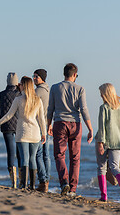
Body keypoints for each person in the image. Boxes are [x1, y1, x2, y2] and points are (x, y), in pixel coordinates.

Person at [0, 76, 46, 190]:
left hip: (22, 133)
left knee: (25, 159)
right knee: (32, 159)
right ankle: (32, 185)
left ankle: (24, 185)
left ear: (24, 86)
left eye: (20, 84)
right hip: (35, 134)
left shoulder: (19, 99)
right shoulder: (37, 100)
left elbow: (8, 116)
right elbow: (41, 119)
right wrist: (44, 133)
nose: (18, 85)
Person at [47, 63, 93, 196]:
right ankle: (73, 189)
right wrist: (90, 128)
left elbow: (51, 108)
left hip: (60, 123)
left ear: (64, 73)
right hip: (75, 124)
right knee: (75, 158)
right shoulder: (80, 89)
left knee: (59, 155)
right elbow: (84, 109)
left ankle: (64, 182)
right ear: (74, 74)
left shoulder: (55, 88)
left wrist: (48, 124)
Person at [95, 83, 120, 204]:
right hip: (117, 142)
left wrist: (100, 143)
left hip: (104, 141)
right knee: (115, 167)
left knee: (101, 167)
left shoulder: (103, 108)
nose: (100, 95)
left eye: (101, 93)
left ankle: (104, 196)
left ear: (106, 94)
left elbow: (101, 127)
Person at [0, 72, 21, 188]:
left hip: (6, 125)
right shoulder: (20, 94)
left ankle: (13, 181)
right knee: (20, 151)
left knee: (10, 152)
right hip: (19, 125)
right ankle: (22, 180)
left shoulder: (1, 94)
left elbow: (0, 110)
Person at [32, 69, 51, 192]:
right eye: (33, 76)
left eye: (36, 77)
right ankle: (47, 180)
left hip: (39, 125)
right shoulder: (49, 91)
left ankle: (43, 181)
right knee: (46, 155)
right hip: (47, 124)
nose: (34, 78)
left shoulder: (38, 91)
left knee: (38, 154)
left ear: (42, 78)